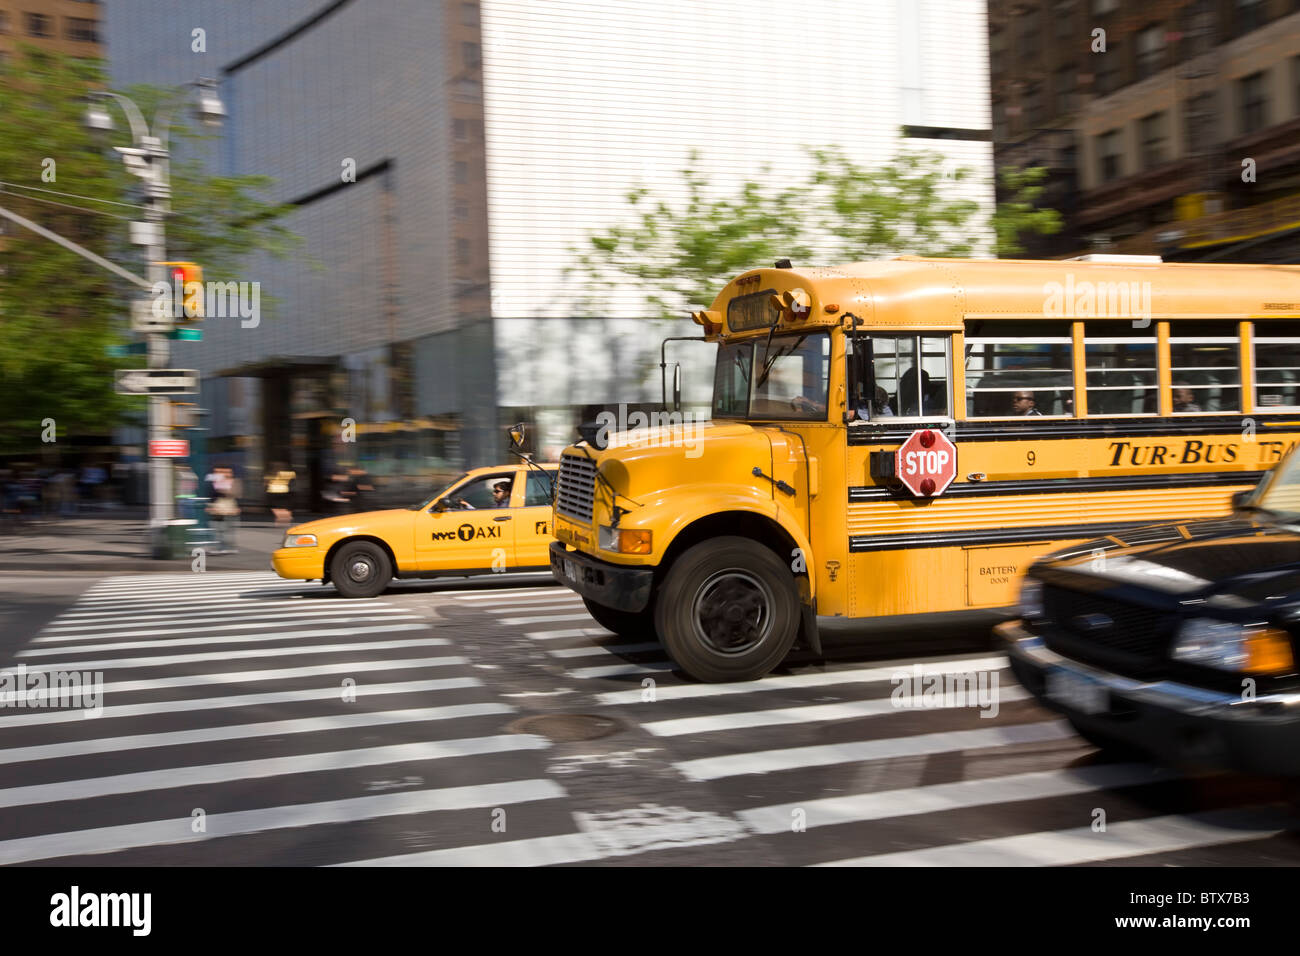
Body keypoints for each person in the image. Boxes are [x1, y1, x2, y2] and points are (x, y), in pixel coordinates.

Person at [207, 465, 242, 554]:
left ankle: (229, 547)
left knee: (228, 530)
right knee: (218, 529)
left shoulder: (234, 482)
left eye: (226, 472)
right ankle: (219, 547)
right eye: (217, 471)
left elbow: (236, 494)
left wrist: (236, 508)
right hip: (218, 509)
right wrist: (210, 506)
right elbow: (212, 495)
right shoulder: (214, 481)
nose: (220, 473)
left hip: (229, 509)